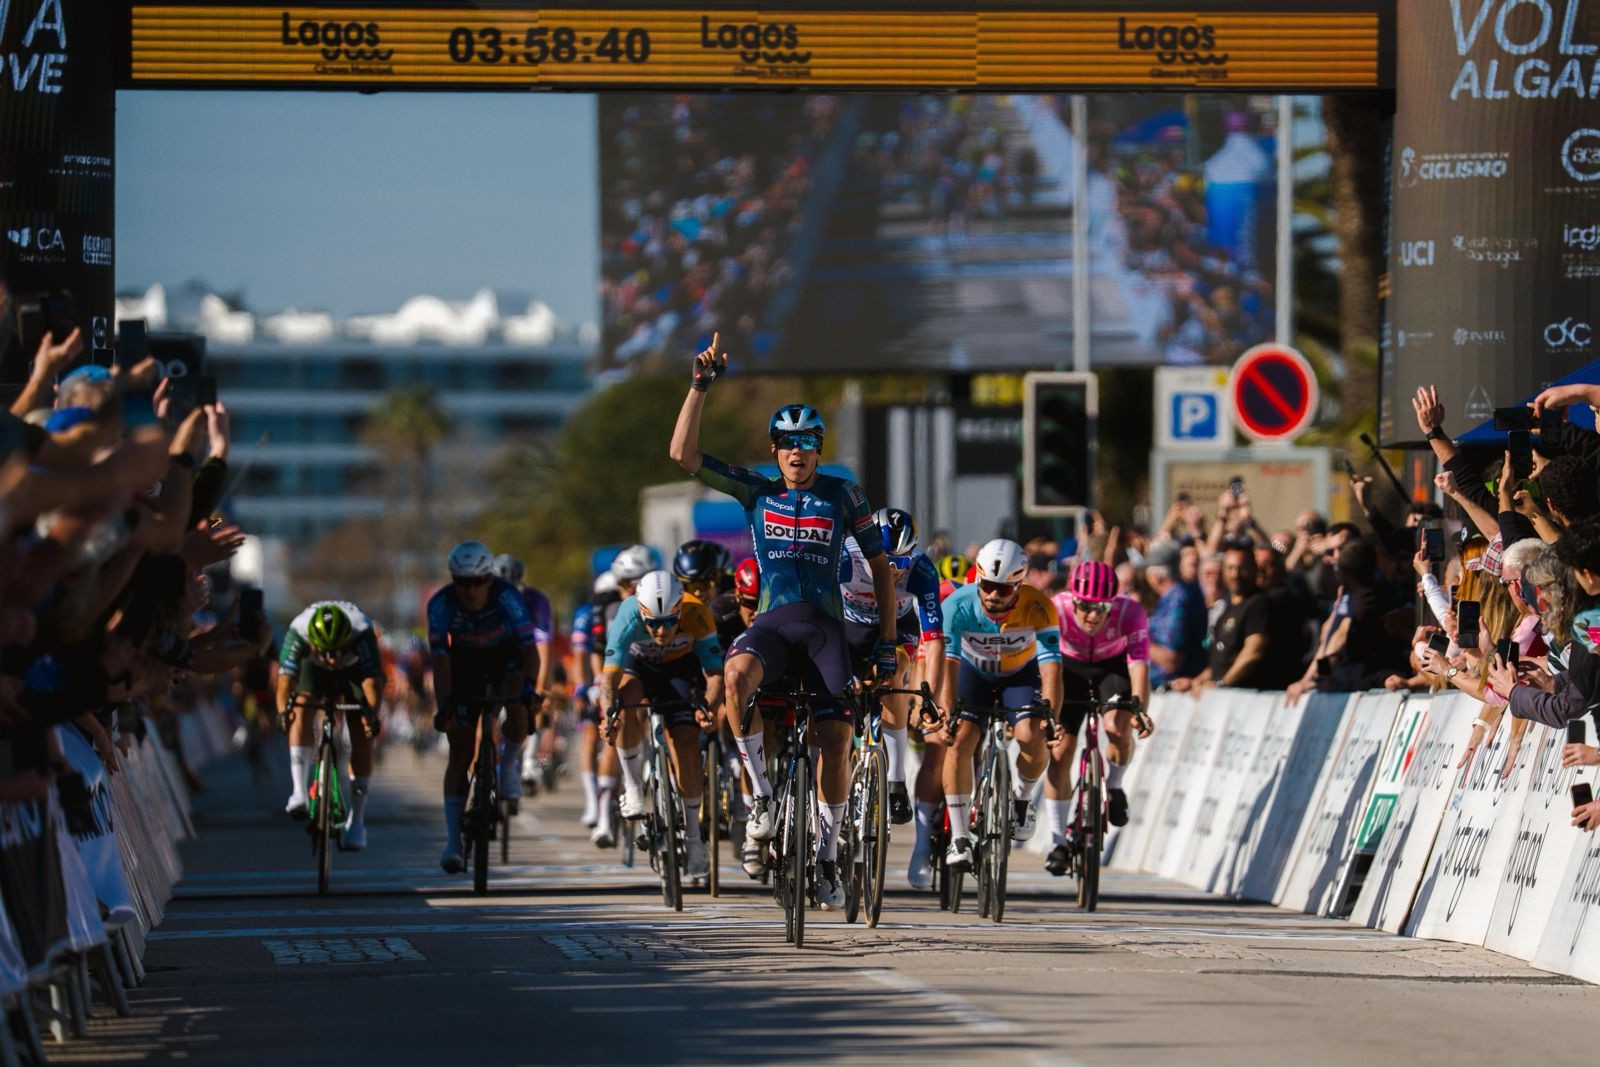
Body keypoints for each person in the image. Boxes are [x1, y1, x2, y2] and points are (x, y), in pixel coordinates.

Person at [668, 333, 898, 911]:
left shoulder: (844, 495)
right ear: (775, 450)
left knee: (837, 739)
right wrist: (700, 386)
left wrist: (890, 642)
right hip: (772, 624)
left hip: (824, 628)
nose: (798, 453)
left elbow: (882, 569)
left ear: (820, 449)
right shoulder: (756, 492)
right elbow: (683, 456)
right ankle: (764, 800)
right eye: (788, 444)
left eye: (808, 443)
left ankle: (825, 855)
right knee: (737, 676)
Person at [937, 538, 1062, 874]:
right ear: (978, 578)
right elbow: (947, 668)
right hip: (972, 673)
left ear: (1019, 586)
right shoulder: (956, 605)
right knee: (960, 741)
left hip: (1019, 676)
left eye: (1003, 589)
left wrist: (1051, 715)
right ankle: (960, 836)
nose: (993, 595)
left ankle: (1021, 798)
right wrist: (947, 711)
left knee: (1030, 735)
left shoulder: (1040, 607)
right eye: (988, 586)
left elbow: (1051, 669)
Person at [598, 570, 723, 885]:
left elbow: (715, 674)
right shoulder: (627, 615)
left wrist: (707, 707)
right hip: (640, 668)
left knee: (687, 748)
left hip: (680, 670)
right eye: (653, 623)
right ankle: (633, 788)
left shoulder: (697, 612)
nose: (662, 630)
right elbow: (608, 678)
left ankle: (694, 840)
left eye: (669, 621)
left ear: (680, 607)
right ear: (642, 613)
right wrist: (607, 715)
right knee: (626, 703)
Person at [426, 540, 540, 874]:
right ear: (453, 579)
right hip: (464, 665)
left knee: (518, 705)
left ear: (489, 578)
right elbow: (440, 659)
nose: (471, 590)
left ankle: (507, 766)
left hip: (505, 658)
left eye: (478, 581)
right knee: (460, 750)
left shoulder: (507, 596)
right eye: (463, 582)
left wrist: (530, 689)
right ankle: (453, 842)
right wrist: (444, 705)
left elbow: (530, 650)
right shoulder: (441, 604)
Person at [1044, 559, 1153, 875]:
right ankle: (1058, 841)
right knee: (1061, 750)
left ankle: (1115, 786)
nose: (1093, 615)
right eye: (1086, 607)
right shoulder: (1057, 608)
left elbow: (1139, 669)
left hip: (1111, 666)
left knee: (1117, 726)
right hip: (1069, 667)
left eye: (1101, 608)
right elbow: (1046, 664)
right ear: (1073, 598)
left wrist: (1139, 711)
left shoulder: (1130, 612)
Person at [839, 506, 945, 826]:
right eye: (884, 562)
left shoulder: (922, 569)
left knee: (895, 676)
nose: (893, 570)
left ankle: (896, 782)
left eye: (899, 563)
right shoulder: (845, 555)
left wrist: (931, 698)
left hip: (899, 626)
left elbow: (936, 640)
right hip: (848, 628)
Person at [275, 601, 385, 850]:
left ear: (347, 641)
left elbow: (372, 683)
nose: (332, 660)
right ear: (312, 643)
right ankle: (298, 792)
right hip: (312, 669)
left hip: (354, 669)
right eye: (326, 652)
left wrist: (371, 715)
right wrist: (283, 712)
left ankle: (357, 821)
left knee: (361, 729)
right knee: (300, 706)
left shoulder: (362, 632)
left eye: (337, 652)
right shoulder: (299, 631)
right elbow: (284, 684)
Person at [491, 554, 557, 795]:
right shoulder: (483, 599)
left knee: (535, 700)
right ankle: (480, 776)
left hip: (524, 657)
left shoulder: (536, 601)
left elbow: (543, 649)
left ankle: (528, 760)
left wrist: (541, 688)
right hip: (491, 658)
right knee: (482, 721)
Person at [1178, 541, 1273, 690]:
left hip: (1247, 697)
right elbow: (1220, 659)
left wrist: (1222, 684)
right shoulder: (1226, 607)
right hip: (1225, 700)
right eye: (1230, 568)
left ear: (1254, 568)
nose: (1235, 574)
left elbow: (1252, 653)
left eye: (1242, 568)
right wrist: (1195, 681)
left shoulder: (1258, 604)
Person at [1143, 540, 1207, 688]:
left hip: (1176, 692)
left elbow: (1172, 661)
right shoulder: (1176, 596)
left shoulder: (1177, 601)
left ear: (1155, 576)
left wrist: (1133, 639)